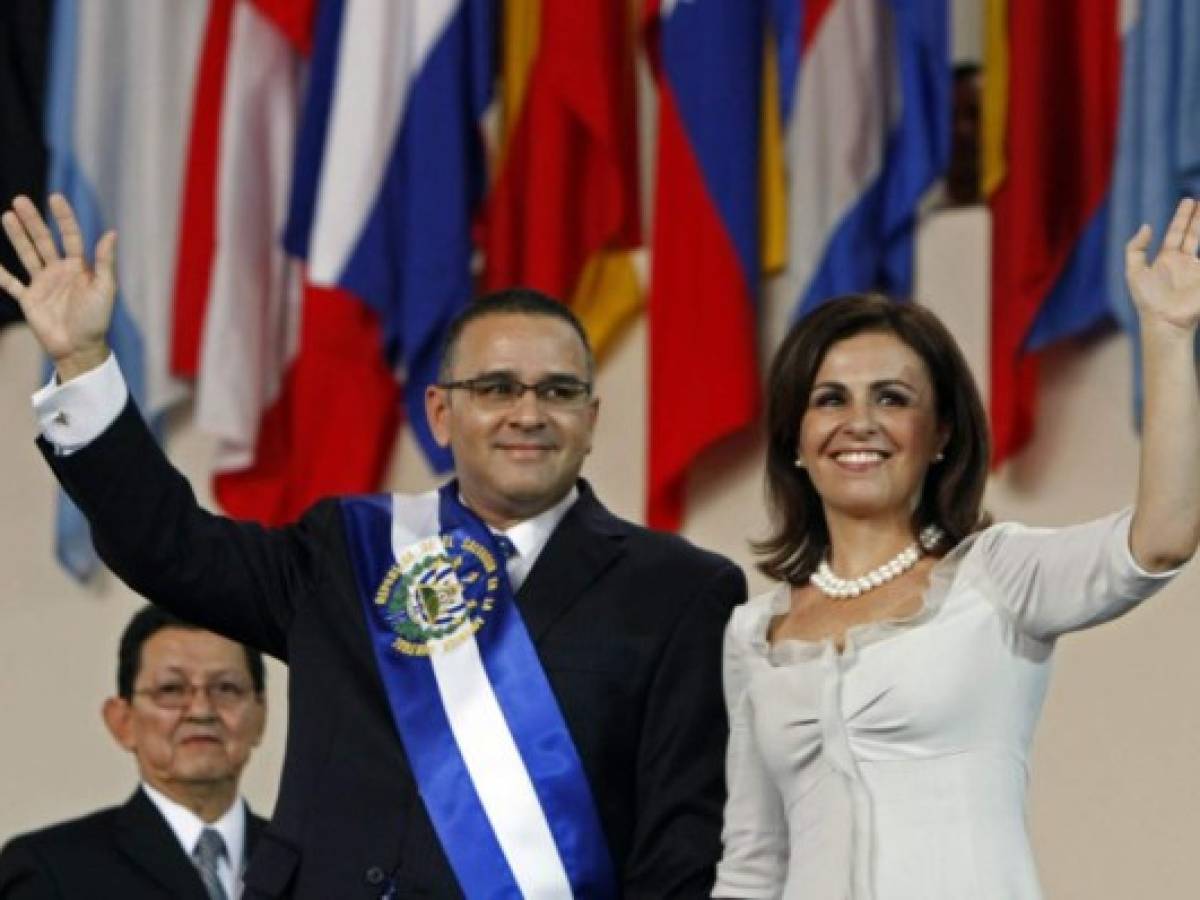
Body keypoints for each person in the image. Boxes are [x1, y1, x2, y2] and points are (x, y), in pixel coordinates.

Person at [0, 194, 746, 898]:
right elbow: (169, 547)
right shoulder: (348, 549)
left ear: (590, 417)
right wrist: (84, 364)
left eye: (557, 391)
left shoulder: (679, 589)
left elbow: (679, 841)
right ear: (442, 412)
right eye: (495, 388)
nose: (528, 413)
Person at [711, 199, 1200, 899]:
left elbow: (1161, 539)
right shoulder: (753, 633)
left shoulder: (999, 576)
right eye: (829, 400)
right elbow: (752, 865)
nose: (859, 424)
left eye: (891, 399)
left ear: (941, 433)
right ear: (794, 437)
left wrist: (1170, 336)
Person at [0, 605, 269, 900]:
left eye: (226, 688)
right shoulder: (50, 870)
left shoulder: (314, 861)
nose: (202, 711)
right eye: (171, 689)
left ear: (260, 715)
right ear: (122, 720)